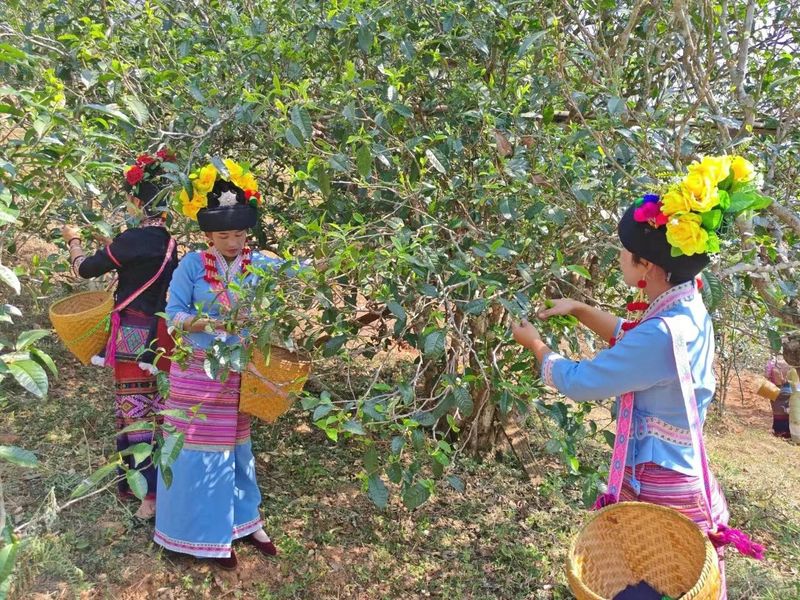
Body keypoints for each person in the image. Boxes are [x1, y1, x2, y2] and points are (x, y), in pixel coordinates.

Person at [512, 155, 767, 599]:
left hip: (660, 483)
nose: (618, 256)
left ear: (645, 266)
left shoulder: (662, 335)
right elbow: (635, 340)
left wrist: (536, 346)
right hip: (679, 470)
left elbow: (581, 381)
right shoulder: (687, 305)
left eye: (623, 251)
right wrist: (581, 309)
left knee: (652, 582)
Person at [153, 159, 301, 569]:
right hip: (196, 371)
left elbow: (298, 274)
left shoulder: (261, 265)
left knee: (236, 448)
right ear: (209, 235)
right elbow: (173, 313)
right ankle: (194, 534)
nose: (233, 241)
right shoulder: (191, 266)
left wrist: (336, 260)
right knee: (197, 450)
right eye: (224, 234)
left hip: (240, 371)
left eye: (239, 233)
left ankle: (244, 522)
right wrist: (204, 322)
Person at [62, 149, 179, 519]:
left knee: (134, 411)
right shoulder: (171, 243)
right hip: (161, 334)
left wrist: (73, 241)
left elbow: (84, 270)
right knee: (159, 411)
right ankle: (161, 486)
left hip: (131, 332)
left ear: (135, 201)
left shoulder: (131, 240)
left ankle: (147, 495)